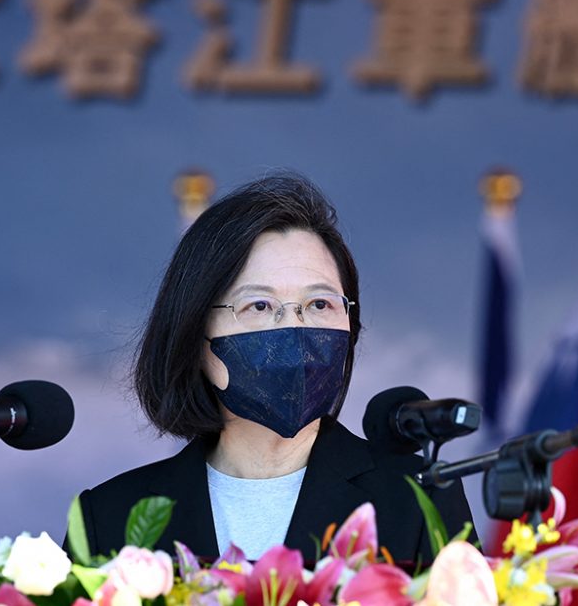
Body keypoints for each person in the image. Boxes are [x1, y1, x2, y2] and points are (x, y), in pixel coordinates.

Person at [76, 172, 474, 564]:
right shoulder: (110, 517)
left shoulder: (417, 496)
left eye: (319, 304)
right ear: (194, 335)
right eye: (260, 306)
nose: (294, 329)